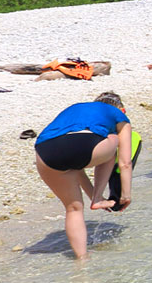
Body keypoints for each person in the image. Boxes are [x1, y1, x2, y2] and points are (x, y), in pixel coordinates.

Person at [33, 91, 134, 261]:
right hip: (85, 145)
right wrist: (126, 195)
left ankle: (82, 260)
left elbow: (76, 167)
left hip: (44, 151)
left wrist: (94, 194)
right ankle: (97, 199)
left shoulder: (76, 109)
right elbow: (125, 163)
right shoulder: (118, 115)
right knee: (114, 139)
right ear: (121, 109)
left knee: (73, 208)